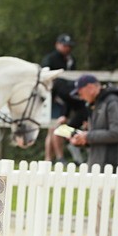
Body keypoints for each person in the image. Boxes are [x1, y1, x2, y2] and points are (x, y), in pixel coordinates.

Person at [69, 74, 118, 168]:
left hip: (112, 166)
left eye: (80, 93)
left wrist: (87, 136)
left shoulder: (113, 102)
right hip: (99, 165)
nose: (81, 97)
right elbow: (99, 136)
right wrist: (83, 140)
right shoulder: (96, 104)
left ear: (90, 88)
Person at [41, 33, 84, 161]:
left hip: (66, 98)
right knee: (55, 127)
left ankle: (50, 159)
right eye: (64, 45)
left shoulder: (71, 60)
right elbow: (45, 78)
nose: (67, 48)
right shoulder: (50, 59)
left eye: (69, 46)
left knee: (54, 128)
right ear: (57, 45)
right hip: (54, 98)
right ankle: (56, 157)